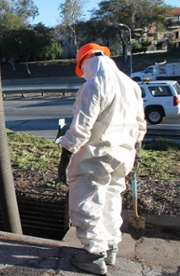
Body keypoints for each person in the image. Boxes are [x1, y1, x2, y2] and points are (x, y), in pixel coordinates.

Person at [57, 43, 146, 275]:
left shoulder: (94, 84)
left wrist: (65, 156)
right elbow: (140, 125)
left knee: (87, 200)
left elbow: (81, 127)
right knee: (111, 199)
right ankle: (110, 247)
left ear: (84, 62)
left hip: (96, 155)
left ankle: (93, 255)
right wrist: (135, 149)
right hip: (123, 154)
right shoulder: (131, 85)